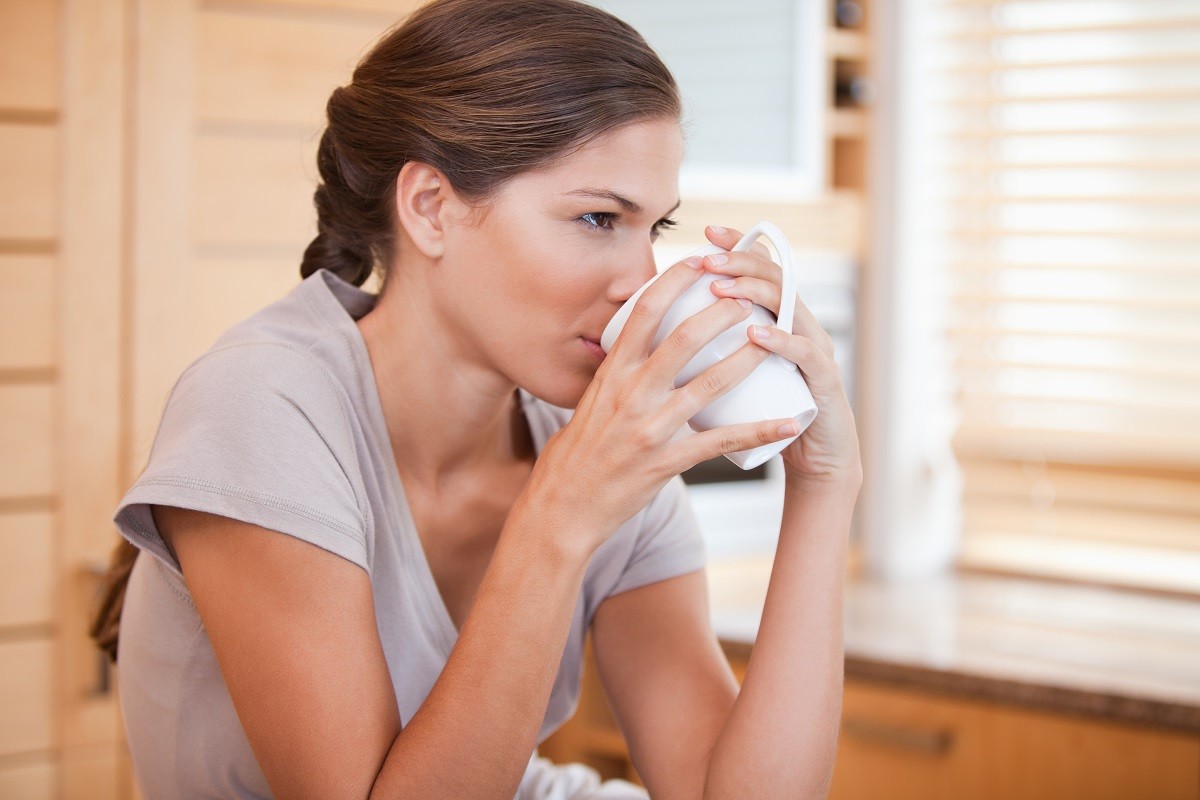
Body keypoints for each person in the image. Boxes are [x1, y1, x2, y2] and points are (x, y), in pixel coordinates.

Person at [89, 0, 863, 797]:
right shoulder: (262, 406)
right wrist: (559, 516)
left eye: (654, 228)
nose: (642, 281)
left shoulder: (593, 441)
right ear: (430, 207)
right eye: (599, 217)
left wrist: (823, 485)